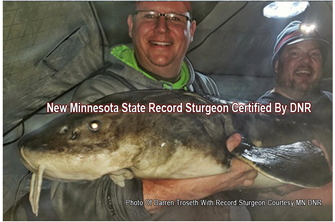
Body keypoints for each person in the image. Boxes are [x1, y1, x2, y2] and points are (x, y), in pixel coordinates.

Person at [7, 2, 258, 220]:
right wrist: (187, 189)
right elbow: (69, 202)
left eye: (175, 18)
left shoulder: (205, 87)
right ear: (131, 25)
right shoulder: (101, 93)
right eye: (149, 15)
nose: (162, 27)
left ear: (190, 31)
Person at [251, 20, 333, 221]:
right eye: (295, 53)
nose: (305, 61)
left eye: (314, 54)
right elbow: (269, 197)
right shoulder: (258, 117)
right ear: (278, 65)